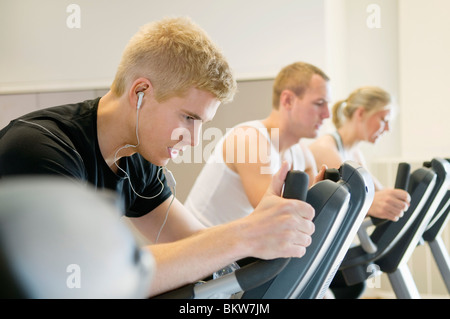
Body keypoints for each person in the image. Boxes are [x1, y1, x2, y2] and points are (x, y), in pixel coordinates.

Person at [0, 17, 316, 297]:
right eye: (188, 118)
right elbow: (90, 277)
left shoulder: (136, 160)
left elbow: (194, 244)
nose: (194, 139)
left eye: (201, 124)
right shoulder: (40, 150)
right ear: (140, 93)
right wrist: (245, 234)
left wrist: (261, 227)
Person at [185, 62, 330, 227]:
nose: (327, 114)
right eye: (319, 103)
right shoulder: (249, 138)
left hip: (238, 247)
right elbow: (276, 217)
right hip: (198, 245)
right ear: (288, 100)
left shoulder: (301, 153)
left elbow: (312, 216)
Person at [308, 86, 411, 222]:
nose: (388, 128)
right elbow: (353, 200)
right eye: (384, 120)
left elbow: (377, 192)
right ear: (360, 113)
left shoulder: (355, 153)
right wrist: (372, 204)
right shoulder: (325, 148)